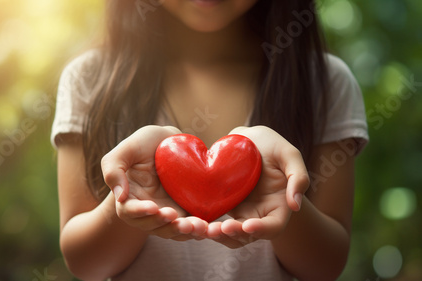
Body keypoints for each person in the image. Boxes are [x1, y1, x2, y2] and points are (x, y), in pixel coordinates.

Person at [51, 0, 369, 280]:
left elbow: (326, 266)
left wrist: (285, 202)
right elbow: (84, 264)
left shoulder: (325, 83)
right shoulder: (89, 80)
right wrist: (128, 201)